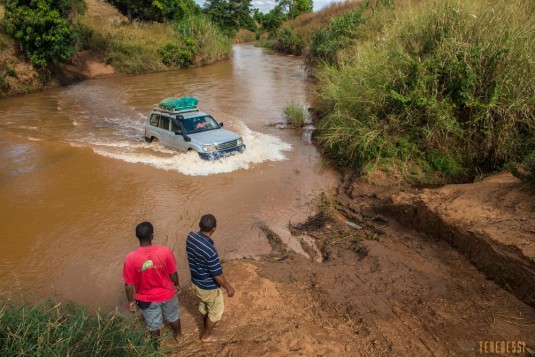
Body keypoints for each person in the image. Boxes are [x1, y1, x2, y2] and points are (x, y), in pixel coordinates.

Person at [123, 221, 182, 342]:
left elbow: (129, 284)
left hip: (146, 299)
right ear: (152, 236)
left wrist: (130, 301)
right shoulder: (165, 251)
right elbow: (173, 273)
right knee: (173, 316)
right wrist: (176, 284)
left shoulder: (130, 257)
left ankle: (156, 348)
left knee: (153, 324)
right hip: (167, 294)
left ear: (137, 237)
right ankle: (179, 336)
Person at [186, 214, 235, 342]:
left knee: (203, 305)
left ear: (199, 225)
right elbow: (217, 275)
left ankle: (204, 324)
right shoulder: (210, 251)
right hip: (209, 287)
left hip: (195, 282)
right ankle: (206, 335)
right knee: (216, 312)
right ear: (214, 229)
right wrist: (229, 288)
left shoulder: (190, 237)